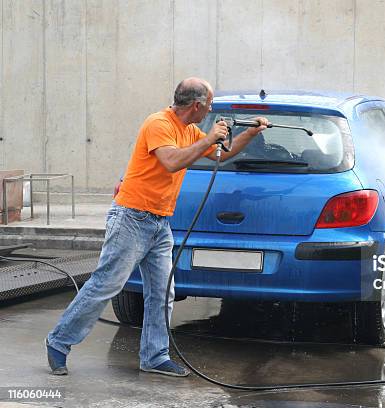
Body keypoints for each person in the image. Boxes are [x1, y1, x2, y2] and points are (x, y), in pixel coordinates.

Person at [45, 77, 268, 377]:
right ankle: (59, 342)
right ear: (197, 105)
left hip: (160, 223)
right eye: (210, 105)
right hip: (132, 218)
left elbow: (222, 154)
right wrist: (208, 138)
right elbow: (172, 162)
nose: (211, 111)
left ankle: (154, 355)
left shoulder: (189, 130)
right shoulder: (158, 124)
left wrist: (252, 133)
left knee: (163, 291)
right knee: (106, 284)